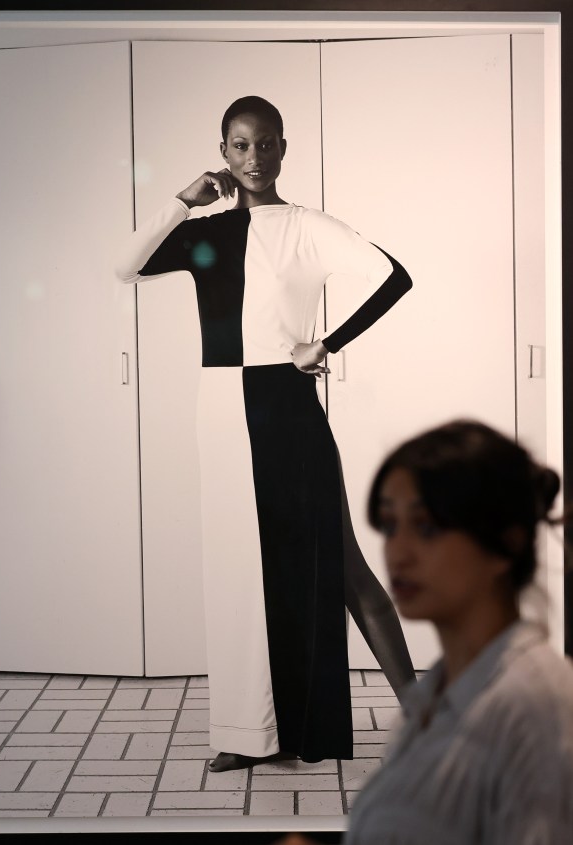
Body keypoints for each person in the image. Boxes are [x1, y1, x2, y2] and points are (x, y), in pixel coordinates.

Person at [115, 95, 416, 774]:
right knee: (236, 574)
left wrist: (326, 341)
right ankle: (249, 731)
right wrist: (181, 201)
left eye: (267, 144)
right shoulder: (208, 234)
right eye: (240, 146)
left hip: (284, 402)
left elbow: (394, 276)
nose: (254, 158)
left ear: (284, 147)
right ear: (222, 152)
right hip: (218, 408)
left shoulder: (307, 226)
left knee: (339, 563)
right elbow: (125, 266)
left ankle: (427, 718)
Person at [338, 419, 573, 844]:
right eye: (390, 525)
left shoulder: (534, 708)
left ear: (507, 543)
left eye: (426, 527)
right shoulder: (437, 693)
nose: (398, 552)